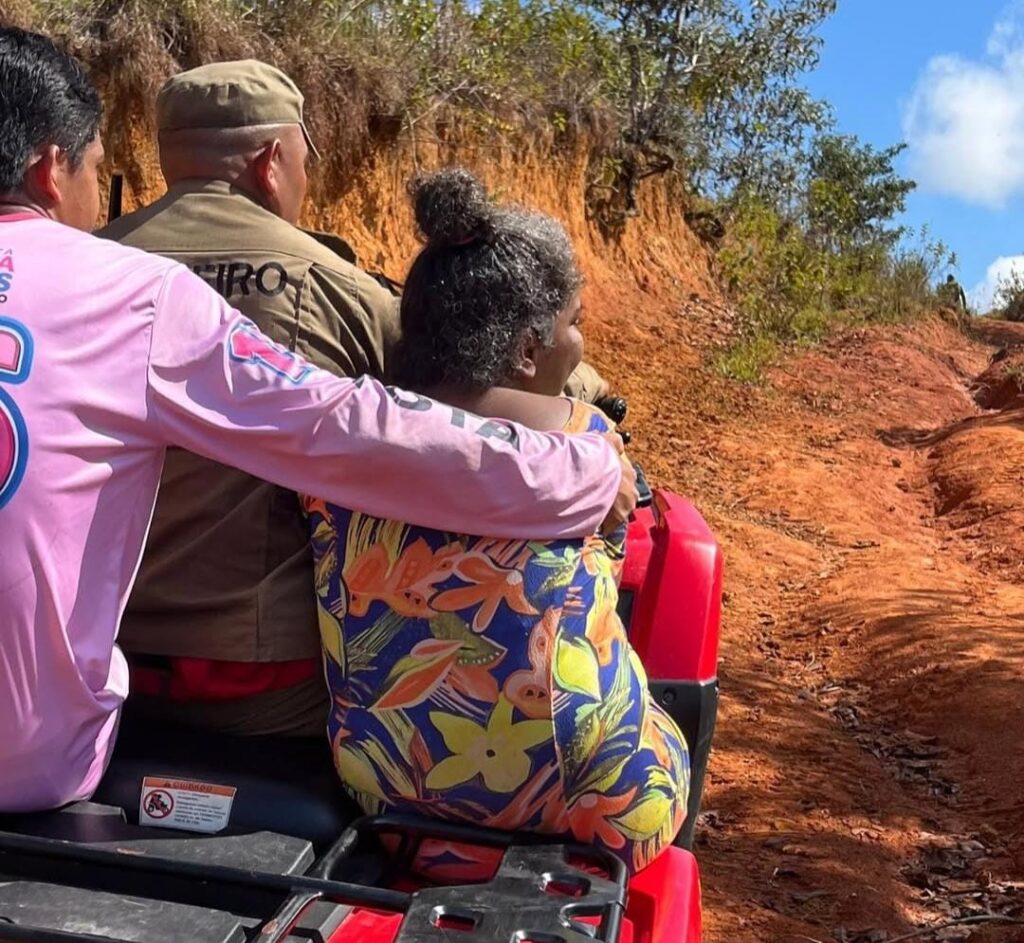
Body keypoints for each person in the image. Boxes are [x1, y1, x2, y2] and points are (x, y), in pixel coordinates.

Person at [0, 28, 635, 813]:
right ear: (273, 161)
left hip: (112, 658)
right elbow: (398, 417)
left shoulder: (111, 252)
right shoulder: (155, 289)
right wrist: (583, 448)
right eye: (96, 168)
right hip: (254, 692)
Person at [304, 170, 688, 875]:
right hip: (593, 814)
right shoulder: (587, 438)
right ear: (527, 352)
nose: (578, 343)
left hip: (390, 800)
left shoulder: (347, 433)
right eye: (574, 323)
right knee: (663, 723)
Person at [98, 61, 401, 738]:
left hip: (83, 659)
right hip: (263, 682)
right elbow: (442, 406)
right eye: (302, 158)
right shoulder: (337, 285)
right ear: (270, 161)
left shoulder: (85, 263)